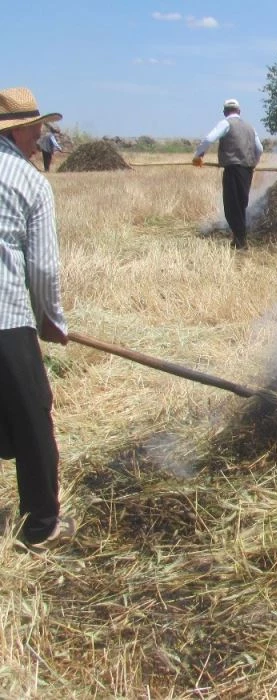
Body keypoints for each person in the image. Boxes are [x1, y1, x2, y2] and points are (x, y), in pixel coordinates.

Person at [0, 86, 74, 549]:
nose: (40, 137)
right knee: (31, 416)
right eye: (36, 129)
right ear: (19, 131)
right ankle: (43, 525)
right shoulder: (29, 183)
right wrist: (52, 319)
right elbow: (43, 268)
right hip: (5, 316)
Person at [193, 98, 263, 250]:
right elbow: (260, 149)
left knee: (232, 206)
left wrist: (198, 155)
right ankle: (238, 239)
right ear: (239, 111)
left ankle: (241, 241)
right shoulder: (250, 127)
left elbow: (209, 139)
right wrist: (254, 163)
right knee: (241, 204)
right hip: (247, 170)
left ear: (225, 112)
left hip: (233, 169)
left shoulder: (225, 123)